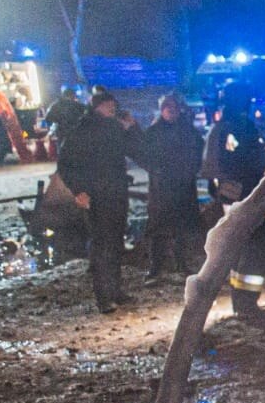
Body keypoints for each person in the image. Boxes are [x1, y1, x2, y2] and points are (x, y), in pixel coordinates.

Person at [55, 90, 143, 313]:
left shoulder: (114, 128)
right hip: (97, 196)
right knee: (102, 244)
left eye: (114, 106)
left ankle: (115, 291)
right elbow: (65, 164)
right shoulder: (82, 131)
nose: (112, 110)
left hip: (116, 192)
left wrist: (132, 128)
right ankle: (104, 297)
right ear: (97, 107)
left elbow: (136, 150)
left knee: (115, 242)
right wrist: (79, 190)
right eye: (108, 106)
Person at [201, 83, 265, 318]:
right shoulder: (237, 127)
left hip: (239, 199)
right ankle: (246, 305)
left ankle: (242, 302)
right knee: (257, 249)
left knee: (243, 250)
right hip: (248, 199)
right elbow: (250, 162)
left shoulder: (224, 127)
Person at [141, 92, 205, 282]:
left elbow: (199, 151)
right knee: (158, 229)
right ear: (162, 110)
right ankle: (155, 267)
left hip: (184, 186)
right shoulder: (153, 132)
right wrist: (157, 171)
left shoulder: (188, 130)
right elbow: (144, 155)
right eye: (167, 108)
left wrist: (192, 170)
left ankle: (181, 263)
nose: (171, 111)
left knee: (182, 228)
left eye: (174, 108)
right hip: (161, 188)